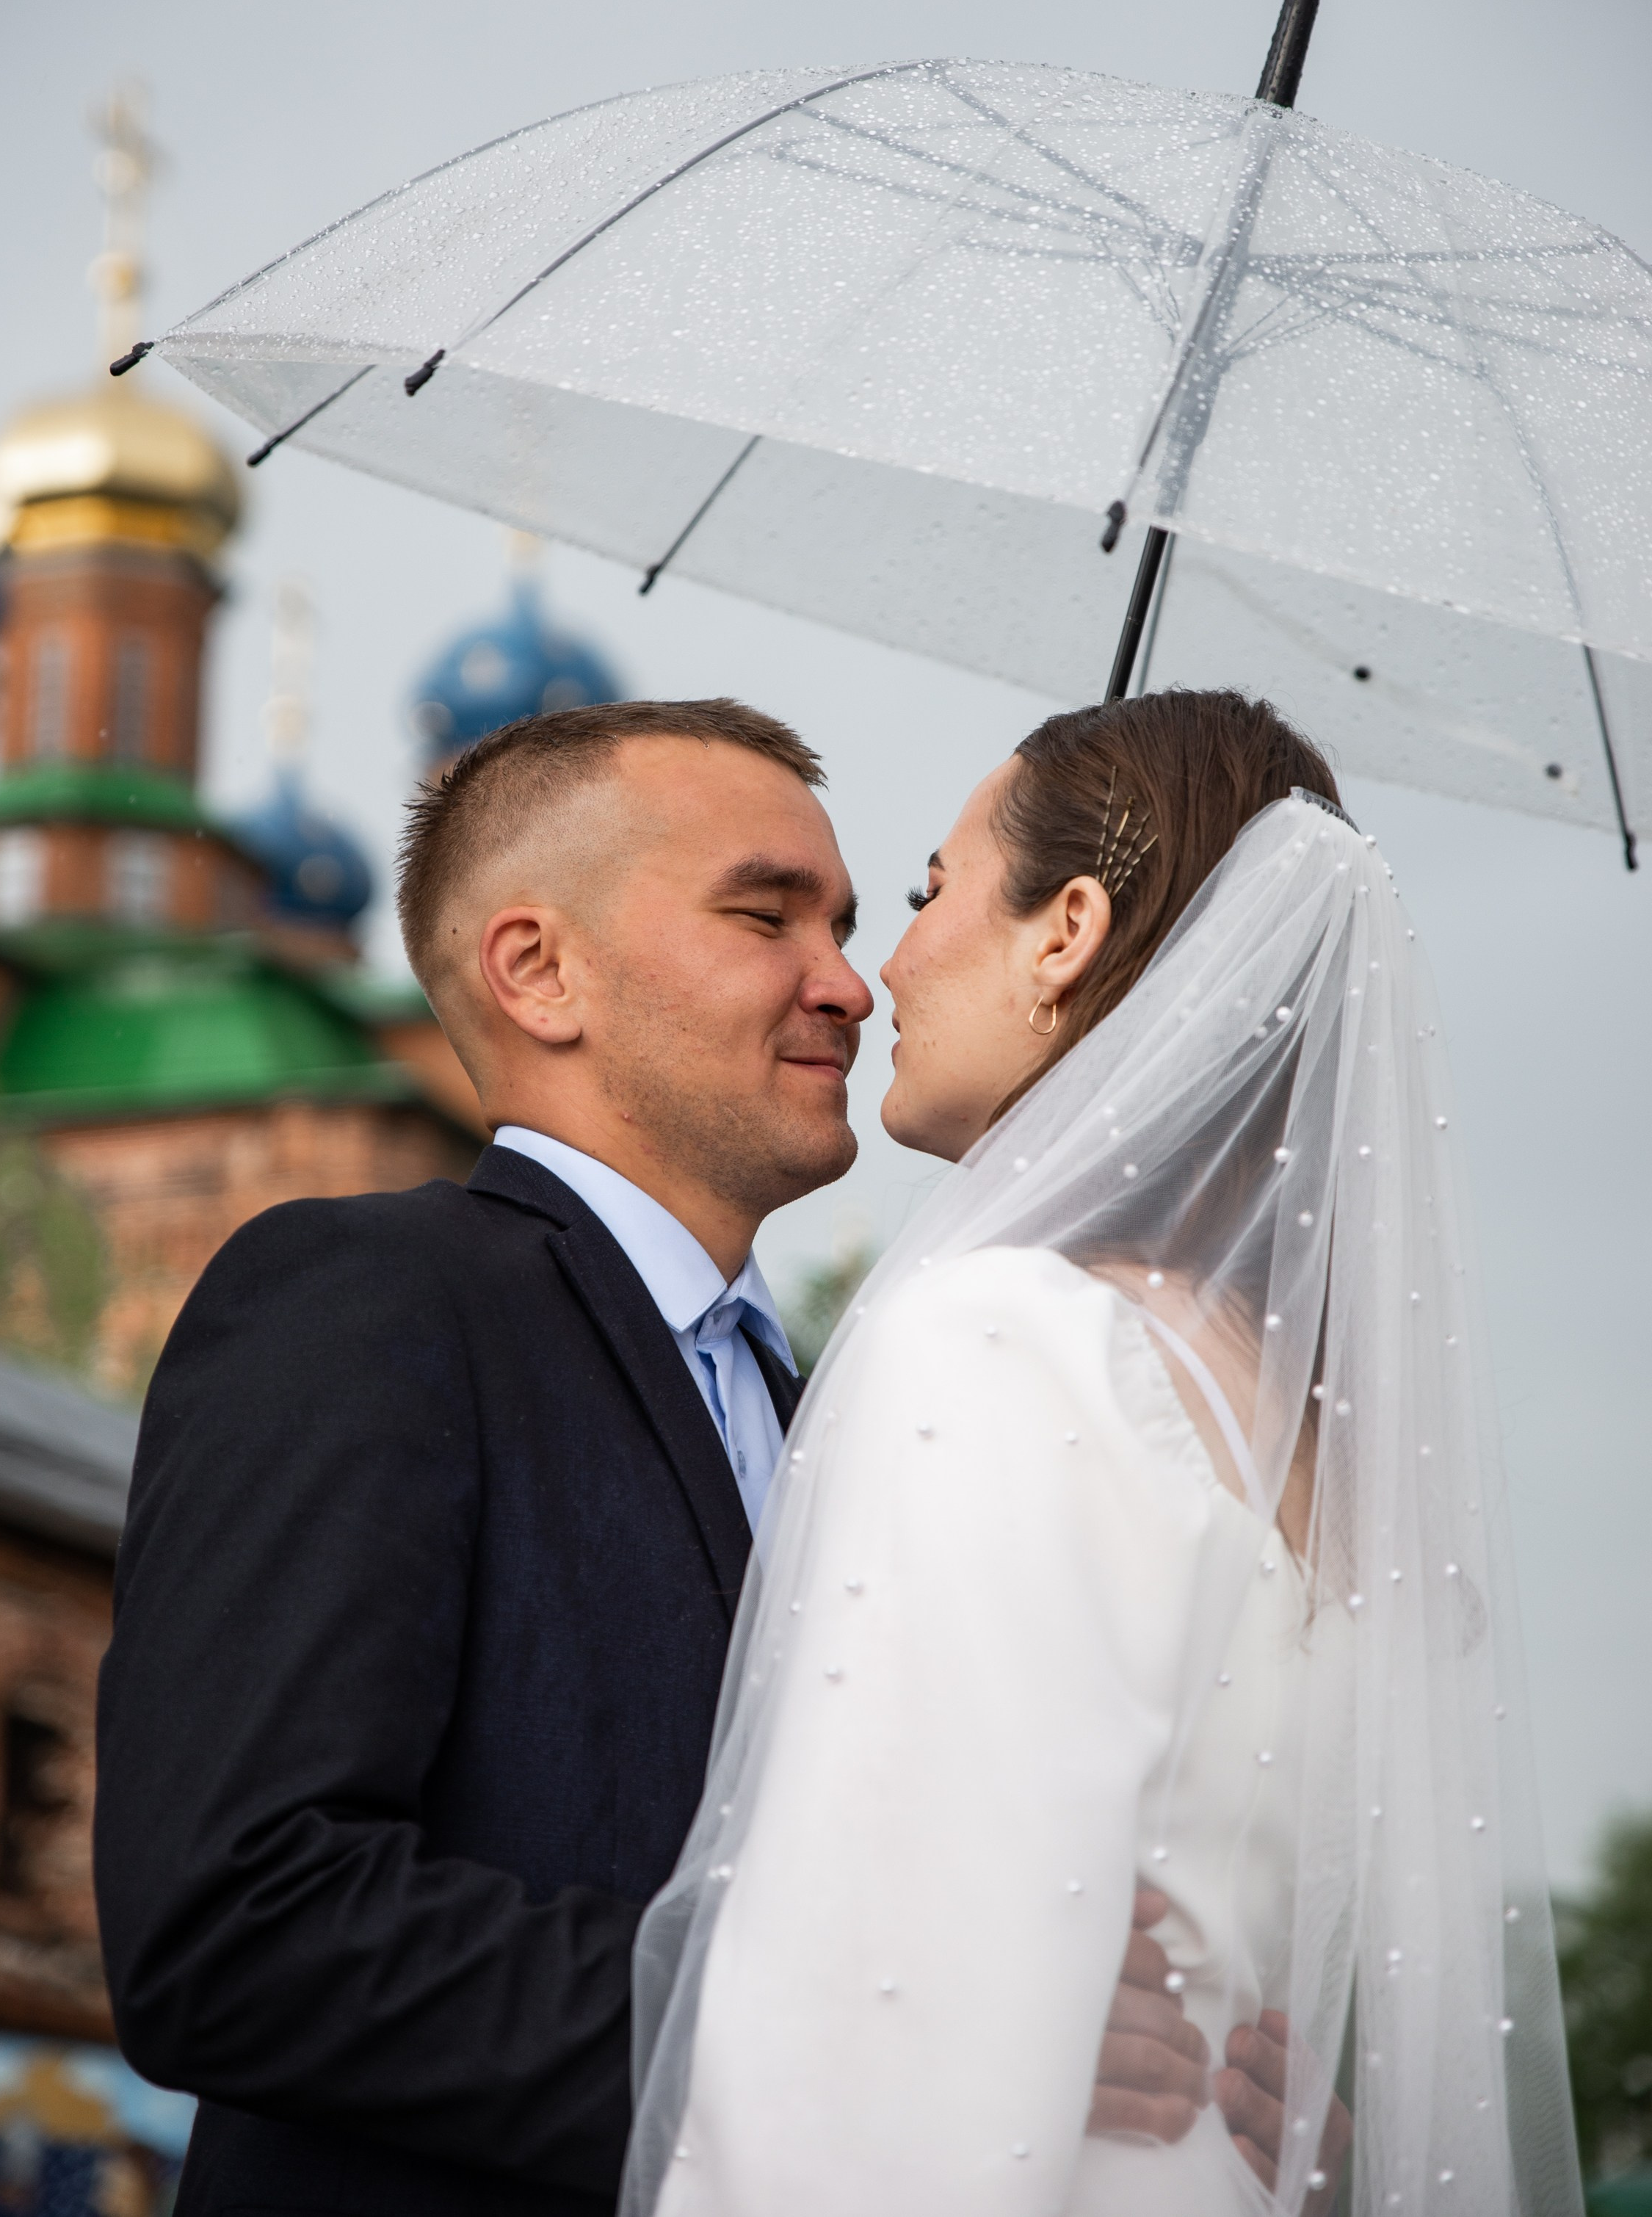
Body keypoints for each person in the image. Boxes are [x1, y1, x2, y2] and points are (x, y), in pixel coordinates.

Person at [95, 698, 1247, 2217]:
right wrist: (900, 2027)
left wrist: (1171, 2070)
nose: (847, 981)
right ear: (538, 969)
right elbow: (237, 1925)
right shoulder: (365, 1299)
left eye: (844, 921)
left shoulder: (852, 1408)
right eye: (765, 916)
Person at [623, 690, 1584, 2217]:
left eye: (932, 892)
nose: (883, 974)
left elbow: (846, 2008)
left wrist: (975, 1988)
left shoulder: (1002, 1336)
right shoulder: (1317, 1451)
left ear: (1066, 928)